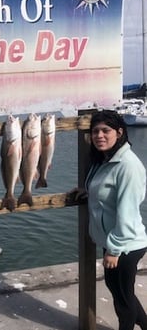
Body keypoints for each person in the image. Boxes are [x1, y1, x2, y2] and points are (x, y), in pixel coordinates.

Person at [71, 109, 147, 330]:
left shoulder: (128, 166)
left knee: (123, 302)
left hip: (125, 245)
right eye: (95, 131)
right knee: (123, 293)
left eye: (106, 130)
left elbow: (128, 212)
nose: (99, 136)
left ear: (119, 132)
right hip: (114, 242)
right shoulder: (106, 159)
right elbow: (107, 193)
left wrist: (114, 250)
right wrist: (88, 192)